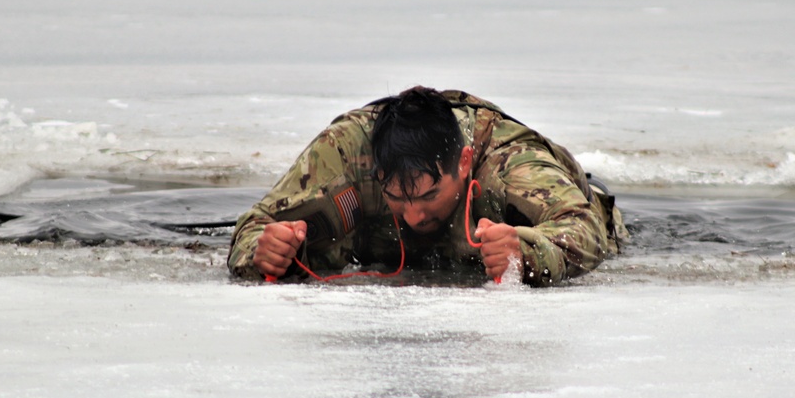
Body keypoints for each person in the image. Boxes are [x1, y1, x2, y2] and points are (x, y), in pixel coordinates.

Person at [228, 86, 628, 286]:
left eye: (429, 195)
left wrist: (526, 252)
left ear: (465, 163)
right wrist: (263, 250)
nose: (415, 215)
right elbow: (254, 226)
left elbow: (585, 225)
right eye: (397, 198)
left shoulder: (507, 161)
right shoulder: (344, 154)